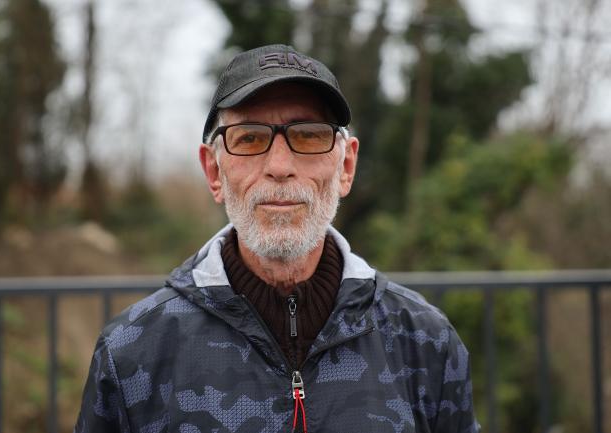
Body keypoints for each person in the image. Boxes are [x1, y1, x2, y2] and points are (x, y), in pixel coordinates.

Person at [74, 44, 480, 433]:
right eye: (249, 138)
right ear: (214, 172)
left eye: (308, 136)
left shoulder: (426, 343)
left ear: (346, 167)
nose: (280, 166)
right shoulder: (133, 354)